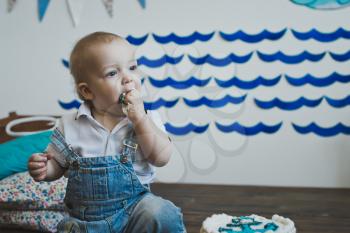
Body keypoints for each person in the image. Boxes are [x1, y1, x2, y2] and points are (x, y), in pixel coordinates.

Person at [27, 31, 186, 233]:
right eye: (113, 73)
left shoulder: (147, 118)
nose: (128, 78)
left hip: (135, 213)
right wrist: (44, 169)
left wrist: (140, 119)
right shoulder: (70, 124)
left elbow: (161, 158)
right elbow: (58, 165)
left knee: (161, 213)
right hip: (86, 221)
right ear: (87, 91)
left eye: (132, 68)